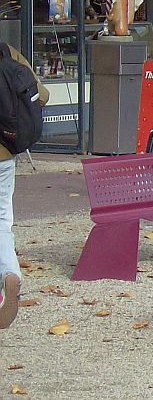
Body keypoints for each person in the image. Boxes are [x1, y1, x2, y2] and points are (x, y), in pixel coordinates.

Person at [0, 43, 48, 329]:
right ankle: (9, 273)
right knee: (2, 220)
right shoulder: (8, 52)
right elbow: (41, 94)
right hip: (5, 155)